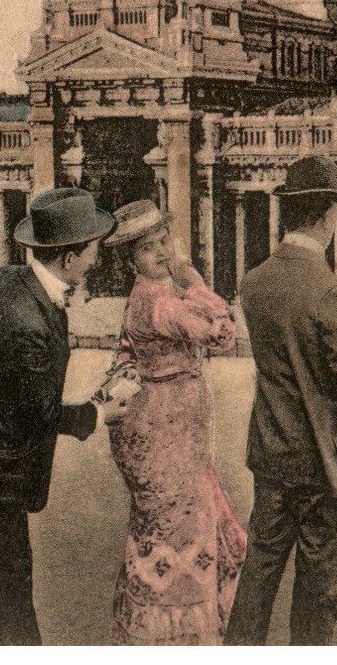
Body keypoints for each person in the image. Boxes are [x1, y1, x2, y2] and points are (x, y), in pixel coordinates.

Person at [0, 187, 127, 645]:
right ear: (67, 258)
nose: (97, 259)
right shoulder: (29, 323)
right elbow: (38, 414)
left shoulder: (8, 281)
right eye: (91, 250)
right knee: (11, 581)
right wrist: (100, 412)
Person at [223, 156, 337, 645]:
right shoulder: (328, 293)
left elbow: (304, 322)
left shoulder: (254, 283)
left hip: (272, 453)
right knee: (318, 586)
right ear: (326, 217)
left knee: (258, 574)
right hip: (323, 466)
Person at [102, 198, 244, 645]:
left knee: (175, 528)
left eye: (164, 239)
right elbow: (223, 334)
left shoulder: (144, 298)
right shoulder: (159, 302)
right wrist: (197, 284)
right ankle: (182, 638)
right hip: (171, 437)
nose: (162, 252)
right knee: (187, 530)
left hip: (168, 432)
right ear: (131, 259)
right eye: (148, 248)